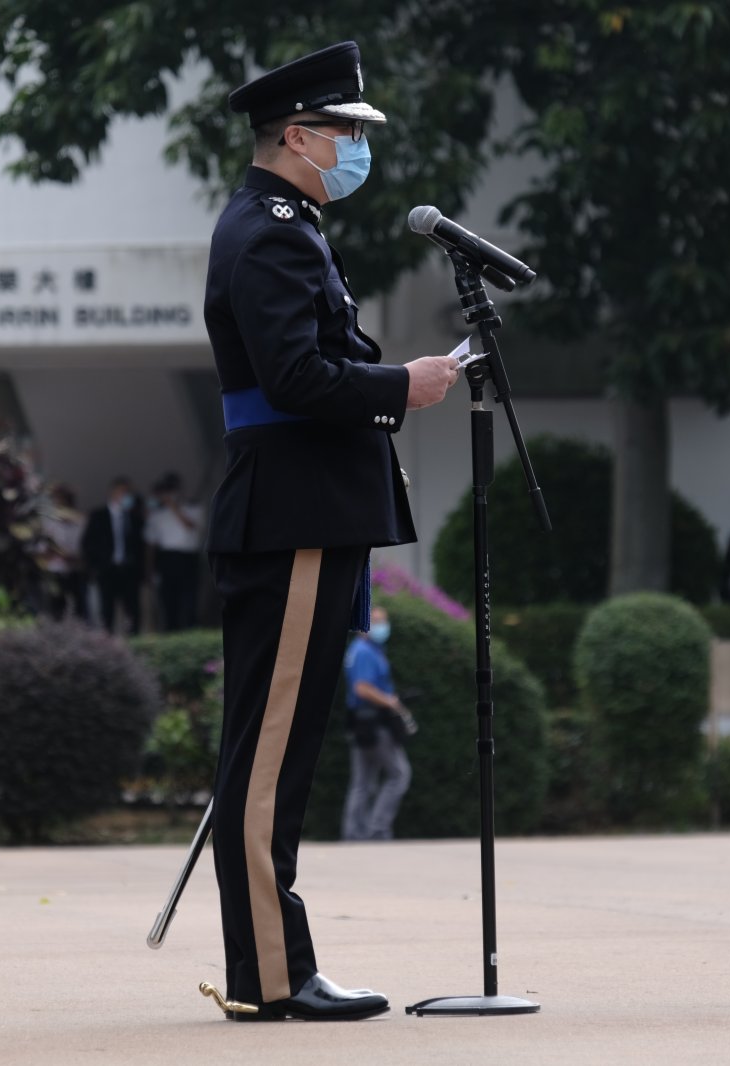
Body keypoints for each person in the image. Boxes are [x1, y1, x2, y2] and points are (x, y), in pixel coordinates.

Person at [201, 40, 460, 1023]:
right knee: (271, 754)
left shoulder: (286, 226)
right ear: (298, 136)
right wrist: (403, 385)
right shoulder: (269, 234)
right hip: (294, 511)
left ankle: (271, 967)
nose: (355, 146)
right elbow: (296, 378)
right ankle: (271, 975)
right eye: (344, 130)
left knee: (279, 747)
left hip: (302, 508)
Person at [341, 606, 414, 842]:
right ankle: (377, 830)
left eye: (384, 621)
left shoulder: (363, 649)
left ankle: (355, 833)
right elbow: (362, 688)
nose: (383, 626)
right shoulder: (364, 651)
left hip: (362, 721)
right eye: (378, 621)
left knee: (362, 782)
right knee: (399, 774)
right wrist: (391, 702)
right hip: (374, 721)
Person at [81, 476, 145, 634]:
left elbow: (140, 546)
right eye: (124, 492)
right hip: (107, 569)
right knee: (106, 609)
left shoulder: (135, 518)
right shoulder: (99, 516)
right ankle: (106, 641)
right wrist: (95, 566)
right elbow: (88, 543)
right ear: (114, 492)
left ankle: (134, 640)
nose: (127, 496)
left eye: (129, 493)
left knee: (133, 610)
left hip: (129, 570)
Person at [145, 471, 205, 631]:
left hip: (188, 557)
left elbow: (191, 526)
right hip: (167, 559)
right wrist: (150, 569)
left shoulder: (193, 507)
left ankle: (191, 628)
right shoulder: (157, 514)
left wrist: (173, 506)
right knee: (168, 598)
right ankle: (171, 629)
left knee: (189, 597)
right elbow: (151, 545)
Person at [42, 484, 89, 622]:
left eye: (62, 498)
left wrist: (74, 556)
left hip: (75, 569)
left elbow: (84, 544)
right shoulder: (48, 522)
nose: (59, 502)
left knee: (79, 605)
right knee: (57, 605)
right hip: (55, 569)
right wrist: (54, 553)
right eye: (56, 499)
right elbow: (43, 547)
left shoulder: (80, 520)